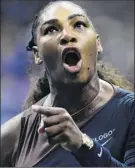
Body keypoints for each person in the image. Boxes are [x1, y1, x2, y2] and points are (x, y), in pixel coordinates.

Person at [1, 1, 135, 167]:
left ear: (98, 43)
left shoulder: (129, 111)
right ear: (37, 54)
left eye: (78, 25)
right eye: (51, 29)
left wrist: (82, 145)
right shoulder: (12, 138)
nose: (67, 35)